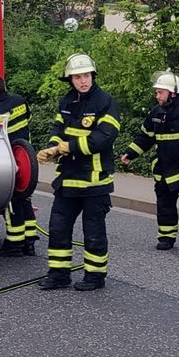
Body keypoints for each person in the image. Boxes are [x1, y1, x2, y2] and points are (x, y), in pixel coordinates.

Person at [35, 53, 121, 291]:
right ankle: (59, 274)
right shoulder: (67, 102)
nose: (83, 81)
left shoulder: (106, 102)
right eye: (77, 77)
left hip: (95, 181)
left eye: (86, 75)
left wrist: (68, 147)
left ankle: (95, 277)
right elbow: (58, 128)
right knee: (58, 227)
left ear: (92, 75)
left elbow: (102, 138)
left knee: (93, 232)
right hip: (69, 178)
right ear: (70, 79)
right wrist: (52, 147)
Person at [120, 70, 179, 257]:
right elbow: (145, 137)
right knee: (165, 207)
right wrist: (130, 153)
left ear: (172, 93)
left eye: (160, 92)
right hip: (164, 171)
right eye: (156, 92)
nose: (157, 96)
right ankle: (166, 238)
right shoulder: (156, 113)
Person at [0, 75, 37, 256]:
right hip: (26, 159)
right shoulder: (19, 100)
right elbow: (28, 118)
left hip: (9, 160)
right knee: (25, 199)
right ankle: (29, 241)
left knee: (11, 202)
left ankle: (13, 244)